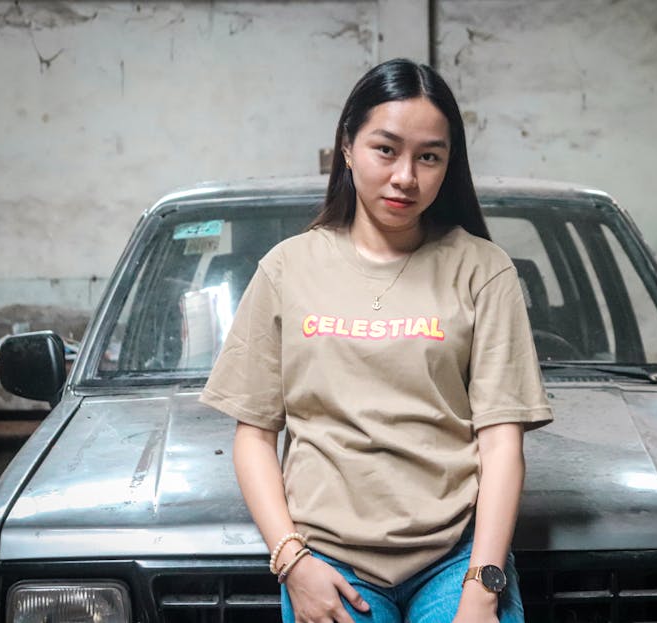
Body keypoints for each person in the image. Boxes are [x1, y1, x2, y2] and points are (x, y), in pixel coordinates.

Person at [200, 58, 552, 623]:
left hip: (453, 558)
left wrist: (483, 587)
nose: (406, 177)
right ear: (347, 145)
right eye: (385, 149)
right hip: (329, 561)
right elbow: (254, 436)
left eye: (428, 156)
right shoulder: (287, 269)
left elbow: (502, 443)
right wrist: (293, 562)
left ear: (447, 165)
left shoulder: (483, 270)